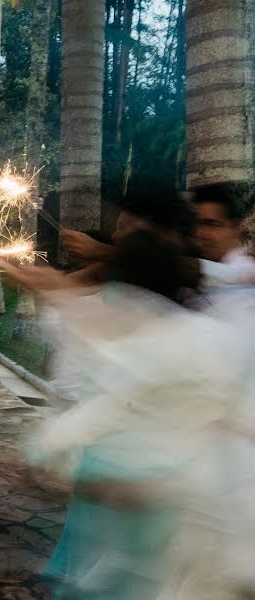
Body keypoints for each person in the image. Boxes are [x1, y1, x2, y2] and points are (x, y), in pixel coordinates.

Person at [28, 229, 248, 599]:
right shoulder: (217, 335)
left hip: (135, 496)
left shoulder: (134, 348)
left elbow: (94, 418)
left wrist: (41, 450)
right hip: (196, 501)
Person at [192, 182, 255, 289]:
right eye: (199, 223)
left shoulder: (247, 267)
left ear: (238, 228)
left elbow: (238, 274)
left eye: (212, 224)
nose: (201, 233)